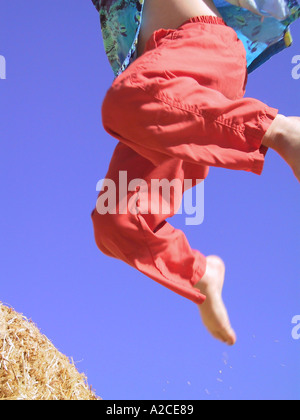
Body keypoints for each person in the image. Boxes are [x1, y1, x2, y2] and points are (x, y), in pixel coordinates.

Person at [91, 0, 300, 345]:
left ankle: (278, 131)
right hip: (174, 109)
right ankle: (200, 274)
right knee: (116, 219)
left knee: (125, 100)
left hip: (201, 49)